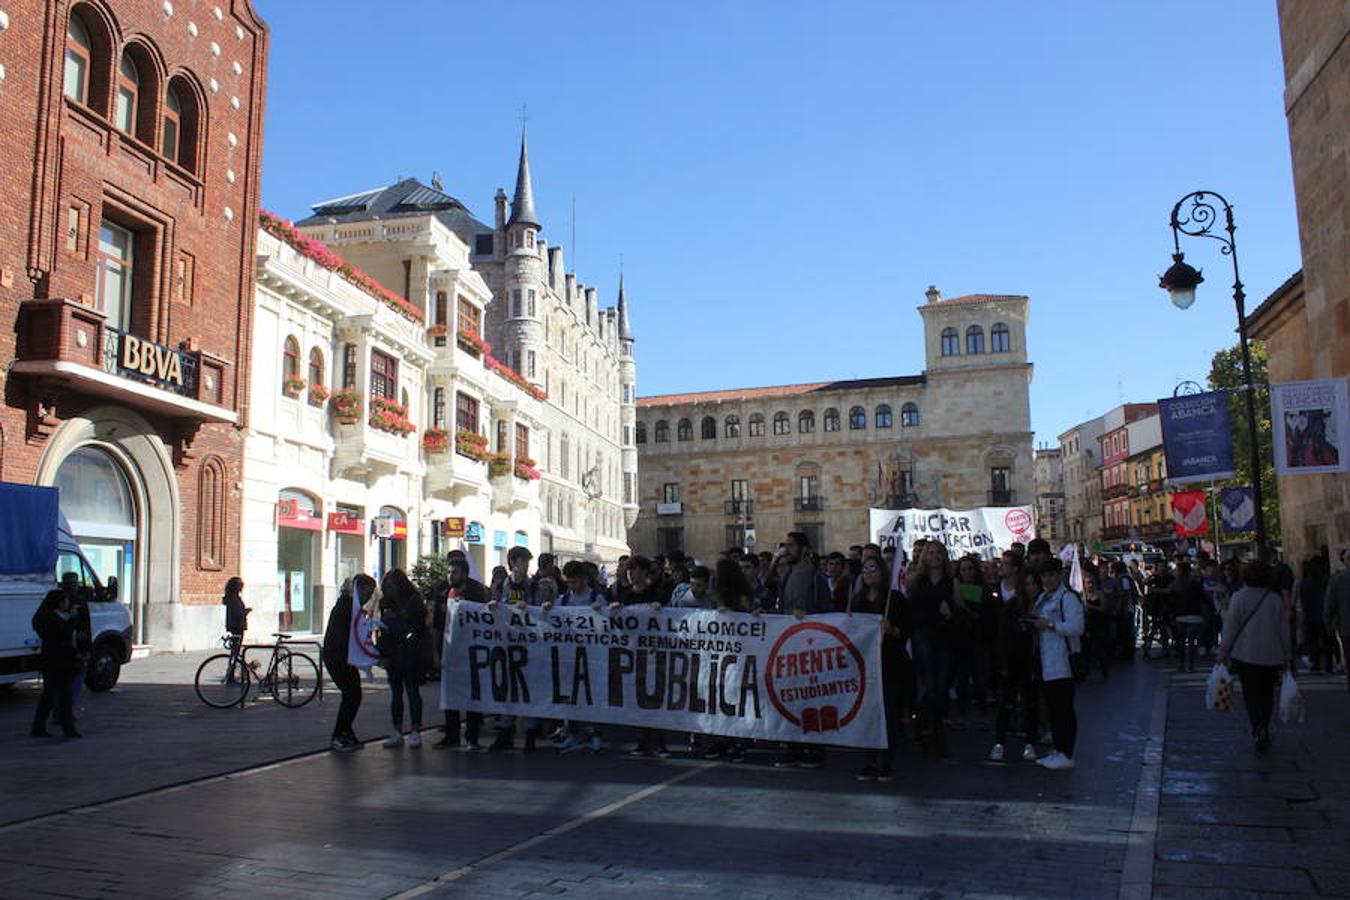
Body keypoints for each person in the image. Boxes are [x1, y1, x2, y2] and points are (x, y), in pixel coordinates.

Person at [773, 531, 834, 768]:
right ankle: (793, 746)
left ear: (803, 548)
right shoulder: (787, 574)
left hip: (811, 645)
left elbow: (828, 611)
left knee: (812, 697)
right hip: (790, 645)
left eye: (790, 545)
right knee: (790, 698)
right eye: (785, 545)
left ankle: (815, 748)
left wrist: (809, 619)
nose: (786, 549)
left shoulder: (816, 578)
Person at [1219, 560, 1292, 753]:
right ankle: (1264, 726)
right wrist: (1287, 654)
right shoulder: (1274, 599)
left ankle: (1257, 726)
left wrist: (1223, 651)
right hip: (1271, 654)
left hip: (1246, 654)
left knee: (1250, 693)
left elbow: (1231, 627)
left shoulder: (1239, 598)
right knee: (1267, 693)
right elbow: (1283, 629)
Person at [850, 557, 907, 781]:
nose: (868, 573)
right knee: (868, 714)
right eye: (865, 570)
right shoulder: (858, 600)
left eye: (873, 569)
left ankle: (887, 761)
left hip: (890, 665)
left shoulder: (895, 600)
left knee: (890, 714)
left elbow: (906, 631)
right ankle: (870, 760)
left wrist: (892, 630)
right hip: (865, 667)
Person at [548, 561, 609, 753]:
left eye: (574, 582)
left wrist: (601, 612)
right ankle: (573, 733)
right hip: (570, 656)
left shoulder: (596, 597)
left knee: (593, 695)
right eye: (569, 582)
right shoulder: (563, 600)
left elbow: (607, 625)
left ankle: (596, 734)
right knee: (571, 695)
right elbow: (553, 622)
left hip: (592, 656)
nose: (571, 586)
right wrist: (547, 609)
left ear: (583, 579)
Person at [1029, 558, 1083, 770]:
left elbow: (1076, 627)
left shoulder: (1068, 598)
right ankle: (1059, 749)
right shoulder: (1042, 597)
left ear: (1059, 575)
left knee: (1063, 709)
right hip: (1045, 660)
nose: (1048, 579)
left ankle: (1067, 752)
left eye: (1052, 574)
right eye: (1044, 575)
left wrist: (1050, 625)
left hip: (1062, 660)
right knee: (1053, 708)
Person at [906, 541, 958, 758]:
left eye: (939, 553)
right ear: (924, 557)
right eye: (931, 553)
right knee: (927, 685)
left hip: (944, 637)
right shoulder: (916, 580)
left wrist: (950, 611)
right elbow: (910, 609)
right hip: (923, 636)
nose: (935, 556)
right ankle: (927, 731)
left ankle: (935, 729)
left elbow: (959, 609)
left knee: (941, 685)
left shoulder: (951, 581)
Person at [434, 553, 488, 750]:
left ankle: (472, 737)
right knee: (450, 695)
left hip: (471, 651)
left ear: (464, 574)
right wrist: (435, 651)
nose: (450, 576)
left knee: (472, 695)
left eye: (454, 572)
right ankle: (451, 735)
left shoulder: (476, 592)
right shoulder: (442, 591)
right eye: (448, 572)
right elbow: (437, 625)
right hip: (449, 650)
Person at [991, 566, 1041, 763]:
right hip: (1013, 659)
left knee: (1031, 703)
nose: (1030, 588)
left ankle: (1030, 742)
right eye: (1026, 584)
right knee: (1007, 702)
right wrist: (1002, 662)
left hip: (1034, 660)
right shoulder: (1012, 606)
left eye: (1033, 584)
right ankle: (999, 742)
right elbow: (1002, 635)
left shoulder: (1043, 605)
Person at [30, 572, 88, 739]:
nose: (67, 602)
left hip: (63, 660)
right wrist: (70, 619)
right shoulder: (49, 618)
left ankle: (41, 726)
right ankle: (66, 727)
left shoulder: (66, 615)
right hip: (55, 661)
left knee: (52, 695)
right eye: (65, 601)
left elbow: (80, 628)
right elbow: (60, 633)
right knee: (61, 696)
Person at [323, 574, 377, 751]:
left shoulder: (350, 606)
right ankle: (339, 734)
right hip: (337, 656)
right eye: (367, 593)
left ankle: (346, 731)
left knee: (353, 694)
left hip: (341, 656)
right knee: (352, 694)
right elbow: (358, 635)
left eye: (371, 594)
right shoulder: (347, 606)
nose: (369, 597)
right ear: (358, 589)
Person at [377, 569, 428, 748]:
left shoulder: (413, 601)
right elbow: (383, 630)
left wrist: (399, 617)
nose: (389, 590)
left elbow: (420, 626)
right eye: (386, 587)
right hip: (393, 651)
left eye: (391, 586)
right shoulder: (385, 603)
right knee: (396, 693)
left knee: (412, 691)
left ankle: (415, 730)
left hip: (410, 650)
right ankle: (397, 730)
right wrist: (381, 654)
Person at [1172, 562, 1209, 673]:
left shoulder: (1176, 584)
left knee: (1181, 641)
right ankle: (1191, 665)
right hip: (1194, 614)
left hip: (1180, 614)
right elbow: (1203, 597)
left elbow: (1171, 597)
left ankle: (1181, 664)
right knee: (1192, 641)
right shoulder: (1195, 583)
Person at [222, 576, 250, 677]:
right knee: (235, 652)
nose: (242, 587)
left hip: (235, 626)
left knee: (235, 652)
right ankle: (230, 675)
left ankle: (231, 673)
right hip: (237, 627)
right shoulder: (234, 599)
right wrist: (245, 612)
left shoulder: (232, 598)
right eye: (240, 585)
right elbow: (237, 614)